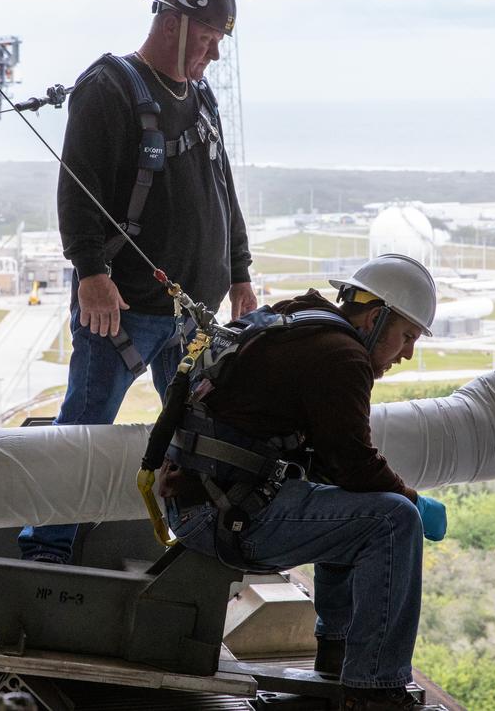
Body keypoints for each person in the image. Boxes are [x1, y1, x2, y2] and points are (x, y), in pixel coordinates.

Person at [18, 0, 256, 563]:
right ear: (173, 24)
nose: (214, 54)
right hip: (124, 311)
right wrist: (91, 274)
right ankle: (46, 552)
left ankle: (195, 543)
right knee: (85, 429)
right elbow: (78, 188)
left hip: (192, 315)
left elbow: (221, 187)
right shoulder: (109, 88)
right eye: (208, 39)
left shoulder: (200, 97)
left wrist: (240, 272)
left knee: (198, 436)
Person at [161, 254, 446, 711]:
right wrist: (413, 500)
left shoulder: (296, 319)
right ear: (375, 318)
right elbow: (354, 464)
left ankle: (339, 654)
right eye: (407, 336)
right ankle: (375, 689)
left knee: (353, 504)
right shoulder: (342, 356)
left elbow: (339, 468)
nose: (408, 353)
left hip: (206, 501)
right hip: (227, 515)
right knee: (393, 520)